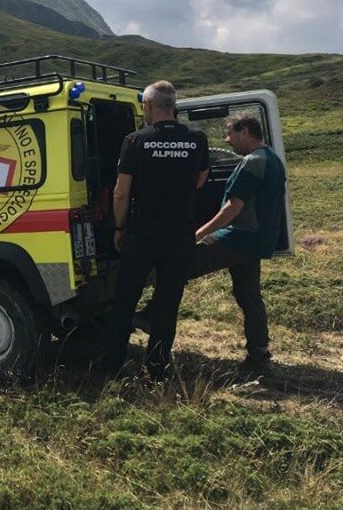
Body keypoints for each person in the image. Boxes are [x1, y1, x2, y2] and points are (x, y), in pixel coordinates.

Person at [105, 80, 209, 380]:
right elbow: (201, 180)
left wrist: (120, 227)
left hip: (142, 232)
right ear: (173, 106)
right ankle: (157, 368)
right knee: (167, 302)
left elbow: (121, 192)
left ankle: (113, 365)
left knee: (125, 300)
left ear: (148, 106)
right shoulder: (197, 138)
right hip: (179, 234)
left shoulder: (136, 140)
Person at [188, 113, 286, 377]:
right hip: (256, 241)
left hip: (238, 237)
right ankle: (259, 355)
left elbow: (234, 207)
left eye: (230, 133)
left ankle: (152, 316)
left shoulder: (252, 162)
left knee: (180, 264)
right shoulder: (273, 160)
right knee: (248, 296)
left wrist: (198, 234)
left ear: (245, 131)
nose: (227, 139)